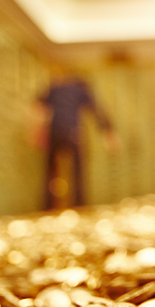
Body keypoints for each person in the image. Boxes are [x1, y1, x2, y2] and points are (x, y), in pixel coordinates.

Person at [34, 73, 120, 209]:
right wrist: (108, 133)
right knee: (78, 172)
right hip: (72, 133)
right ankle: (79, 206)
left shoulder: (54, 89)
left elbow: (39, 109)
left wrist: (37, 133)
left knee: (51, 173)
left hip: (54, 133)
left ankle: (47, 207)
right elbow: (97, 111)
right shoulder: (81, 90)